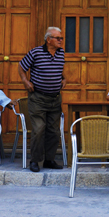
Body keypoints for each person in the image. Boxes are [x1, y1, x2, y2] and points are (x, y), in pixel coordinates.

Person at [18, 26, 66, 173]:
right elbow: (21, 66)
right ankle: (35, 160)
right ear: (48, 39)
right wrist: (25, 81)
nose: (60, 40)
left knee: (54, 131)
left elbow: (60, 68)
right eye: (58, 38)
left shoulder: (61, 53)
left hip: (55, 99)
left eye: (61, 38)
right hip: (38, 98)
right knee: (39, 130)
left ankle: (49, 160)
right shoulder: (36, 52)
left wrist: (64, 78)